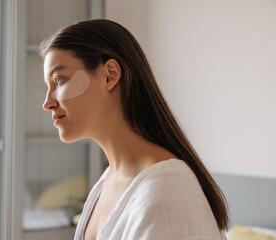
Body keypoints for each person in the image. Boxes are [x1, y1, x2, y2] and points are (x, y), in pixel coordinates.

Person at [40, 19, 229, 240]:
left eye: (59, 80)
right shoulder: (108, 181)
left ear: (109, 74)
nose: (47, 102)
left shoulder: (168, 190)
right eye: (48, 86)